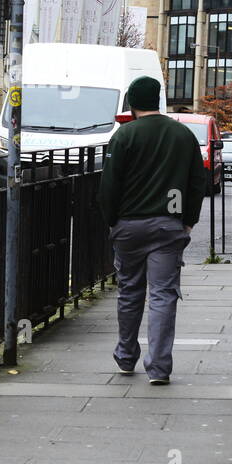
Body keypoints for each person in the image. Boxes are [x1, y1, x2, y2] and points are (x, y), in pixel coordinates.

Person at [98, 75, 207, 385]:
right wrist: (188, 219)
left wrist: (112, 220)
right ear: (158, 99)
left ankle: (125, 355)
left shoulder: (124, 136)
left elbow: (109, 185)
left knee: (130, 291)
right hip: (168, 226)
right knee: (162, 295)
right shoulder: (182, 135)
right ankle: (158, 368)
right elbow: (197, 182)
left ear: (132, 103)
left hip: (129, 226)